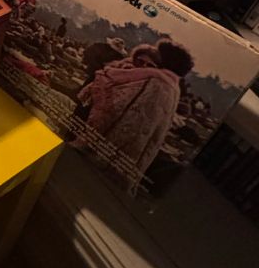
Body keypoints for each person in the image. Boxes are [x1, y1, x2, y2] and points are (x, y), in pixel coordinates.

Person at [71, 38, 193, 192]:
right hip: (132, 156)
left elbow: (118, 107)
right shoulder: (173, 87)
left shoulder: (154, 80)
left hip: (108, 150)